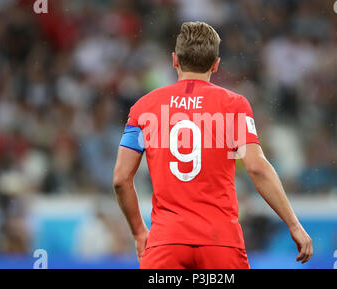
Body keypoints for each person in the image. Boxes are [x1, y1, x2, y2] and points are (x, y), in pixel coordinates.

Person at [113, 21, 312, 269]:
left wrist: (139, 232)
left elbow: (121, 178)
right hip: (220, 242)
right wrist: (294, 224)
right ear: (216, 64)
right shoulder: (233, 105)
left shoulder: (143, 108)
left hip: (166, 243)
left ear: (175, 60)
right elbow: (257, 168)